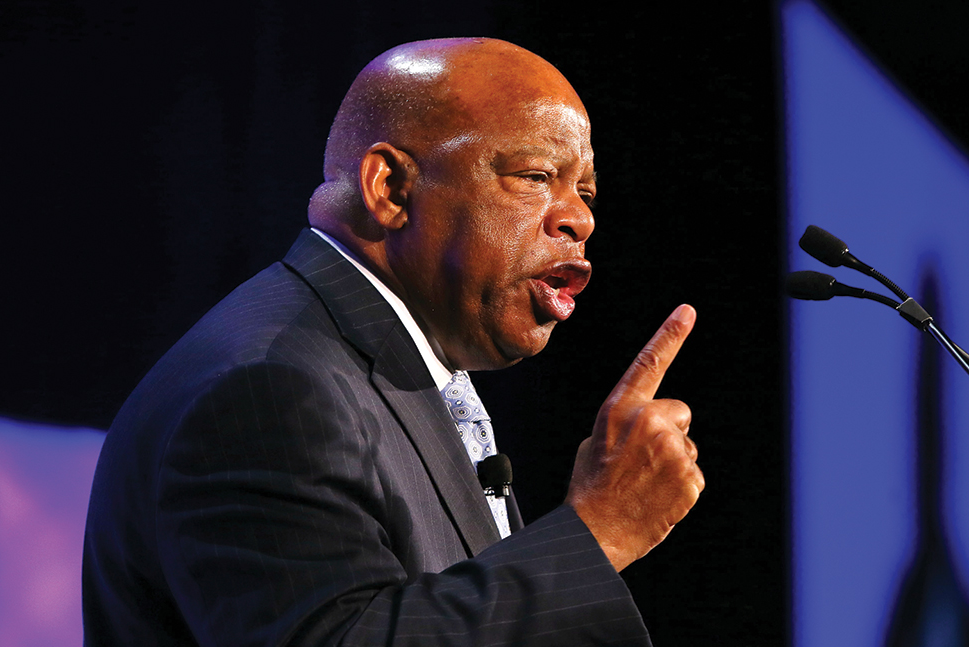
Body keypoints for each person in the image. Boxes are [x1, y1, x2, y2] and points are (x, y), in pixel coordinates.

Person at [82, 37, 703, 646]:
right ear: (390, 188)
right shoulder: (270, 387)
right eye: (537, 175)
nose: (581, 219)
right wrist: (601, 530)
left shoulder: (380, 366)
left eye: (586, 192)